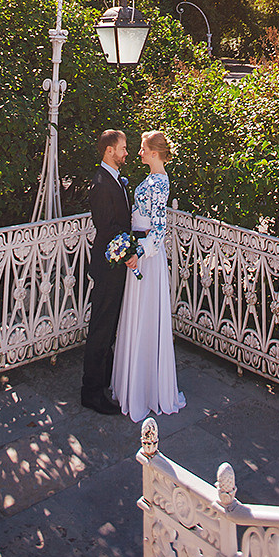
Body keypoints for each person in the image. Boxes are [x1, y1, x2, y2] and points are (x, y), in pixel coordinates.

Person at [111, 130, 186, 423]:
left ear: (154, 152)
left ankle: (144, 389)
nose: (139, 153)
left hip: (146, 256)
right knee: (136, 315)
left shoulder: (160, 182)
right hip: (137, 247)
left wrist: (138, 252)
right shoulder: (153, 179)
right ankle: (133, 385)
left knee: (145, 317)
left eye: (142, 149)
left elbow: (159, 228)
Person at [80, 128, 139, 414]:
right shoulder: (102, 183)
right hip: (107, 265)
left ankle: (104, 377)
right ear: (109, 151)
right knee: (101, 328)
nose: (126, 152)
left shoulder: (115, 180)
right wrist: (128, 253)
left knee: (109, 326)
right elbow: (109, 228)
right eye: (123, 148)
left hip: (115, 264)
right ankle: (90, 392)